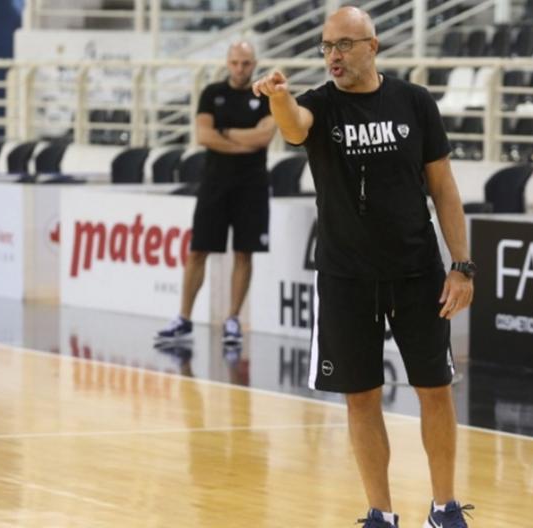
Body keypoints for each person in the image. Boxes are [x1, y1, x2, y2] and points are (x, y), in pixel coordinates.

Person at [253, 7, 475, 528]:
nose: (334, 55)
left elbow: (443, 188)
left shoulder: (414, 102)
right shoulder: (318, 104)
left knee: (435, 390)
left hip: (417, 272)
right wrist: (280, 98)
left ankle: (444, 508)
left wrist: (461, 266)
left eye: (344, 45)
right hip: (345, 277)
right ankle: (381, 513)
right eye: (327, 46)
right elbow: (294, 128)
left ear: (372, 46)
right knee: (361, 398)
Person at [156, 41, 275, 344]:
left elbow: (264, 137)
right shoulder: (212, 93)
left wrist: (226, 133)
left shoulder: (265, 96)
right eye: (235, 63)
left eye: (245, 63)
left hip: (252, 185)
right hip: (214, 184)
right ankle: (184, 317)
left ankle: (232, 319)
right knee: (198, 251)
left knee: (244, 252)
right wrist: (243, 142)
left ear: (254, 64)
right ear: (227, 63)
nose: (240, 69)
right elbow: (203, 135)